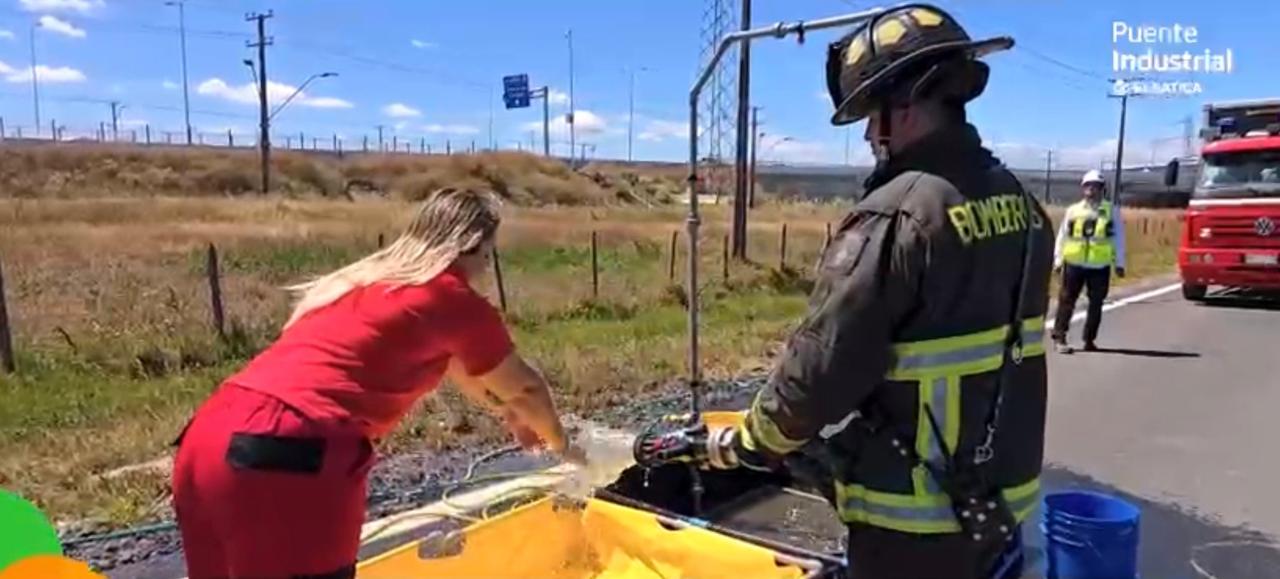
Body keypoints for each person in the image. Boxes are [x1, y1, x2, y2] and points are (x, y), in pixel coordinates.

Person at [696, 6, 1053, 578]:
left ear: (905, 104)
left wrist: (750, 440)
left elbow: (819, 371)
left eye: (870, 114)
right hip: (1001, 500)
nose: (867, 134)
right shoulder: (1021, 203)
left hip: (914, 522)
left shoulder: (896, 217)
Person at [171, 188, 577, 579]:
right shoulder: (451, 298)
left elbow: (470, 372)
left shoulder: (363, 285)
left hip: (208, 435)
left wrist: (507, 412)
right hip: (289, 450)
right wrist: (563, 446)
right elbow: (525, 388)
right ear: (474, 247)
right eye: (487, 257)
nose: (486, 269)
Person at [1051, 170, 1126, 354]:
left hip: (1099, 265)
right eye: (1088, 185)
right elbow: (1063, 235)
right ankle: (1059, 337)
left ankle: (1089, 339)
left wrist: (1120, 263)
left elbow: (1119, 238)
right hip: (1074, 263)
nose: (1092, 189)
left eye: (1096, 186)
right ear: (1083, 188)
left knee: (1096, 304)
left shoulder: (1111, 211)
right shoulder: (1073, 211)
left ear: (1102, 189)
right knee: (1066, 301)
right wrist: (1058, 260)